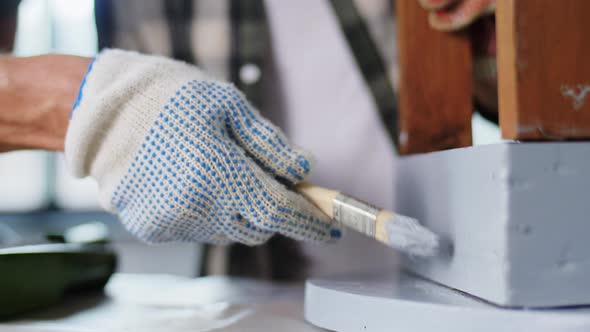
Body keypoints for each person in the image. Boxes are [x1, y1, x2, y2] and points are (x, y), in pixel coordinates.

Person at [0, 0, 496, 280]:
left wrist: (518, 31)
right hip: (251, 292)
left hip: (443, 284)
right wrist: (86, 106)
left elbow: (525, 97)